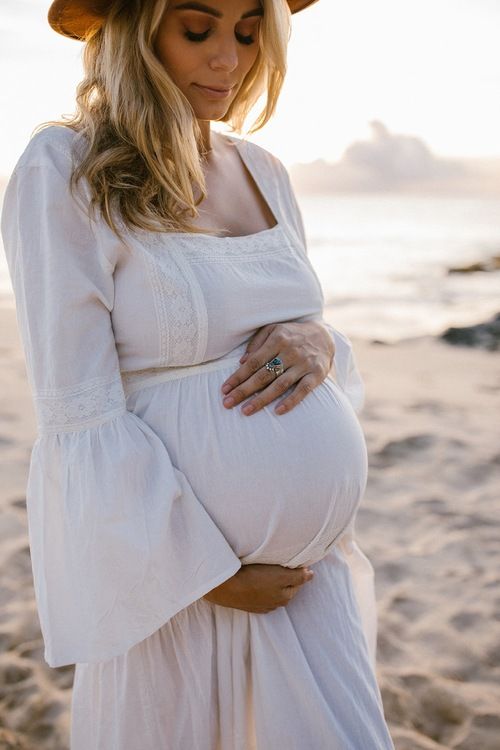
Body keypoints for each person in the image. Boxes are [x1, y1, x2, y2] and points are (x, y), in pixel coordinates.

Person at [1, 0, 395, 747]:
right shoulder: (64, 168)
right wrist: (206, 575)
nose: (230, 58)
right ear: (135, 33)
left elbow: (303, 338)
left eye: (249, 31)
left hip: (311, 584)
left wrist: (319, 339)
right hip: (175, 592)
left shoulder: (265, 172)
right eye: (197, 28)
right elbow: (77, 409)